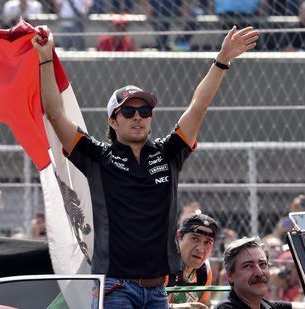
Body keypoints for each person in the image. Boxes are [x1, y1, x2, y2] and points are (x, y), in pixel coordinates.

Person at [31, 24, 259, 308]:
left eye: (145, 111)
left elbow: (197, 106)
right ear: (113, 121)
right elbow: (54, 114)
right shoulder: (97, 156)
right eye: (127, 111)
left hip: (157, 291)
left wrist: (222, 59)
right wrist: (45, 57)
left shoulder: (168, 153)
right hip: (115, 286)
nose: (137, 117)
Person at [215, 236, 294, 309]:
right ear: (230, 276)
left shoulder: (267, 305)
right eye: (248, 266)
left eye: (262, 264)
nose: (259, 273)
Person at [166, 213, 219, 308]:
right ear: (179, 236)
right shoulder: (164, 265)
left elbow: (205, 305)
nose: (201, 249)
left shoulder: (204, 270)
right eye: (194, 238)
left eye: (208, 242)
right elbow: (145, 304)